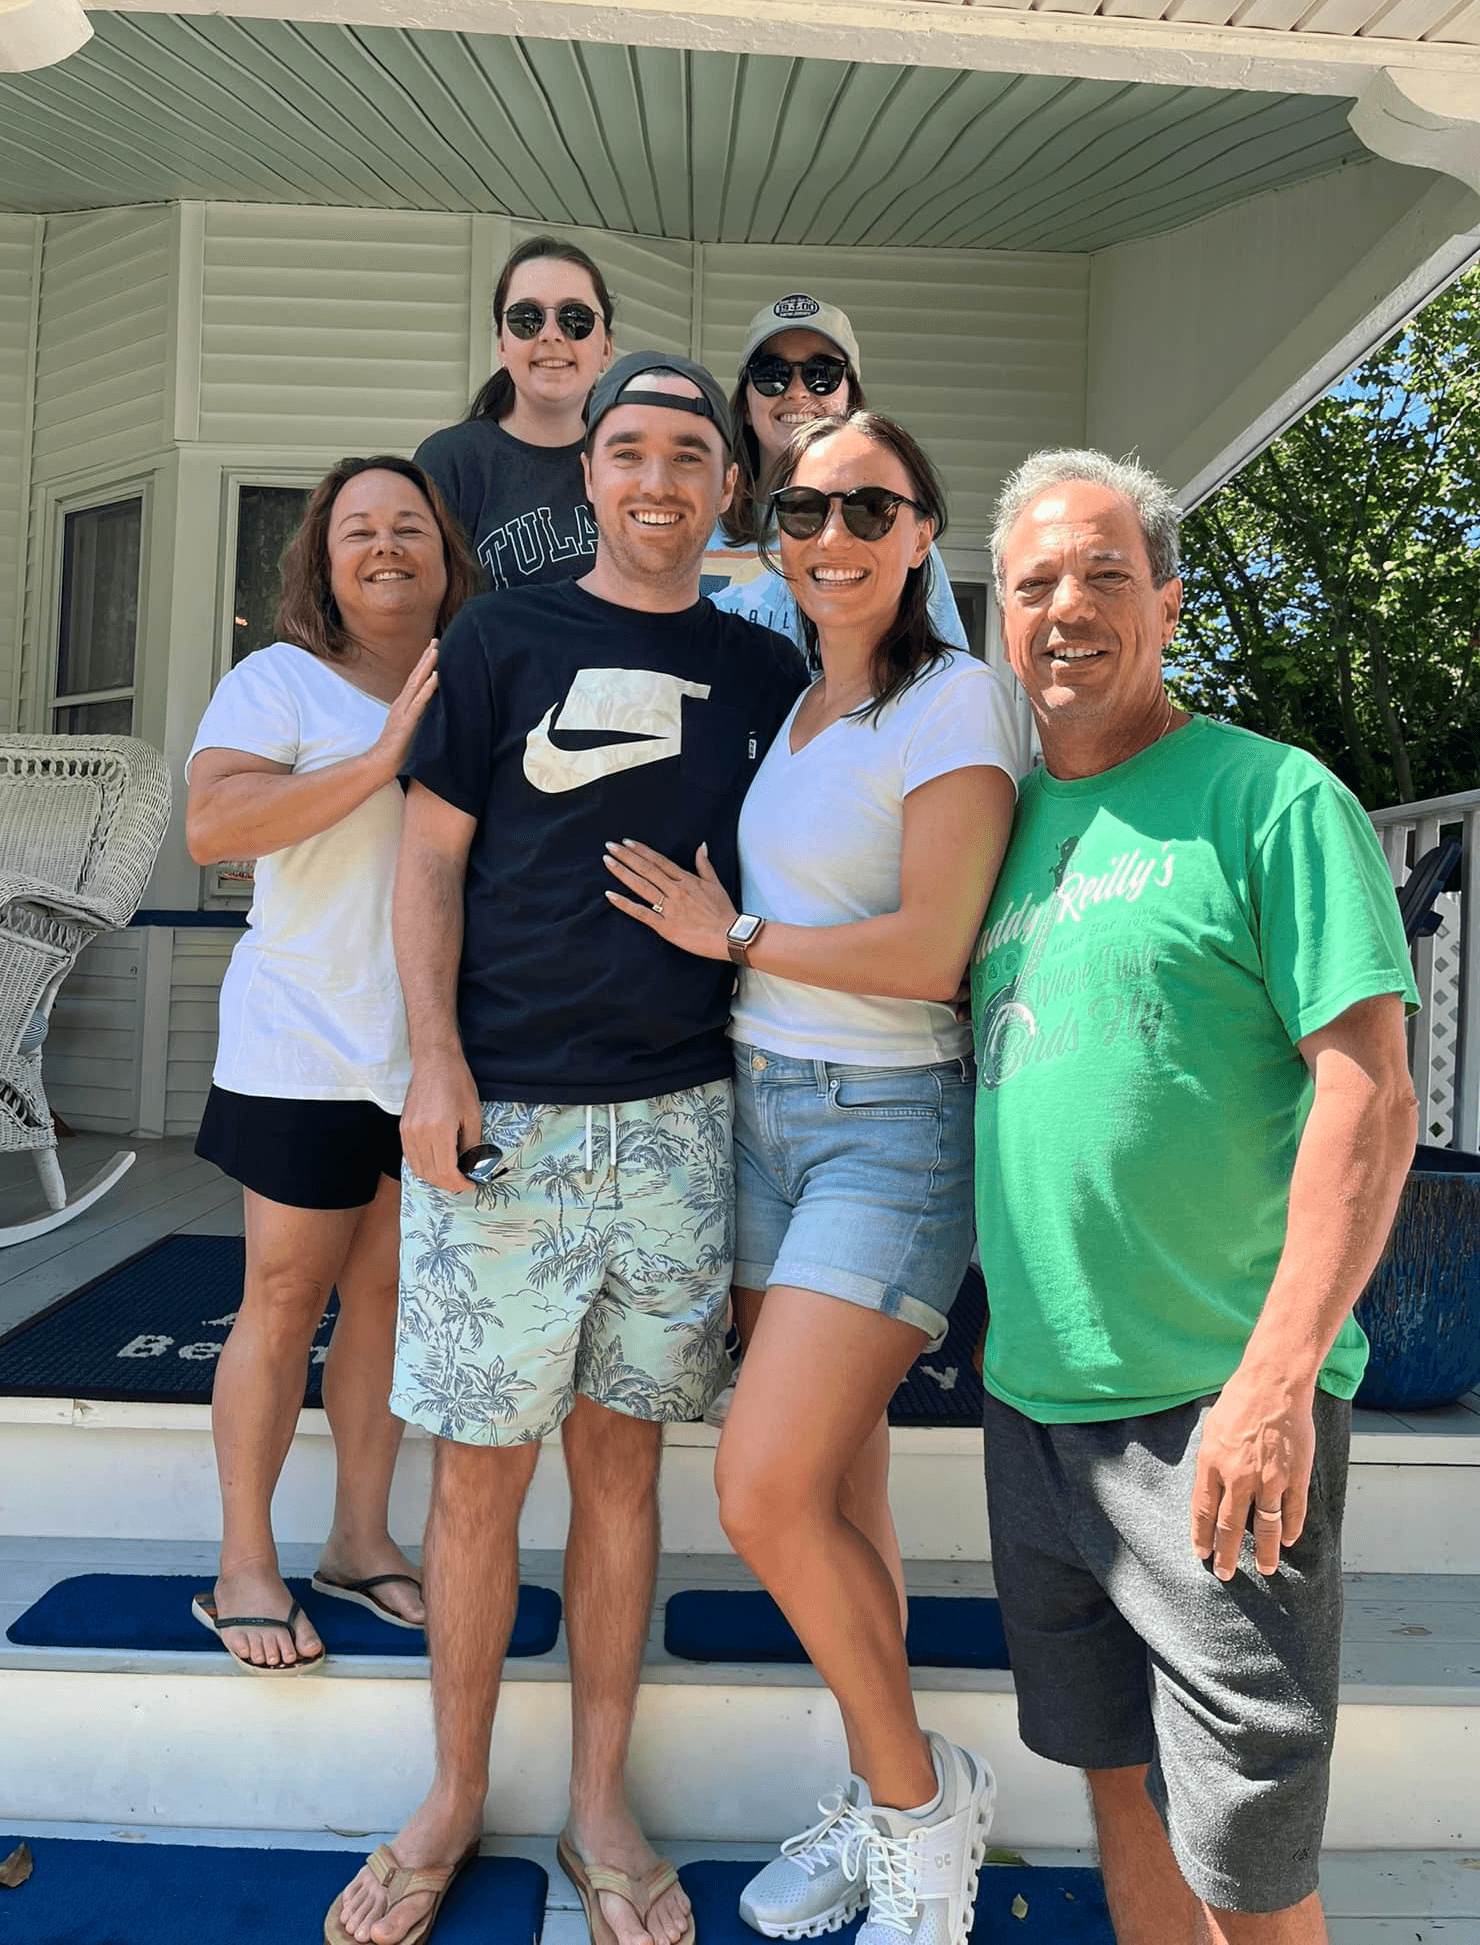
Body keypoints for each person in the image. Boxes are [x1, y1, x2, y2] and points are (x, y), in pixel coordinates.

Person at [325, 353, 810, 1945]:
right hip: (506, 1127)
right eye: (629, 451)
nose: (660, 477)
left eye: (689, 452)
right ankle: (453, 1795)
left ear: (725, 486)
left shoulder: (761, 673)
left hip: (682, 1122)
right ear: (586, 479)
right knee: (478, 1488)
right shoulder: (499, 638)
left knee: (621, 1476)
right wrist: (436, 1060)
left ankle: (600, 1799)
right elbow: (431, 863)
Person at [971, 447, 1420, 1945]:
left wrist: (1279, 1378)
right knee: (1118, 1786)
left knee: (1249, 1861)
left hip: (1217, 1417)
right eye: (1034, 583)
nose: (1067, 608)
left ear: (1166, 602)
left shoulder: (1271, 798)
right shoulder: (1008, 827)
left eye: (1105, 573)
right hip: (1041, 1412)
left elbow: (1371, 1089)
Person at [603, 410, 1019, 1945]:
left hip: (888, 1124)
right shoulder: (794, 700)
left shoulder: (954, 702)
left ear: (923, 533)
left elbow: (931, 951)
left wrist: (741, 941)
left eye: (868, 509)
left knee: (762, 1485)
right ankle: (879, 1784)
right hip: (765, 1112)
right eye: (802, 511)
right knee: (840, 1487)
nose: (829, 536)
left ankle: (922, 1812)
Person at [186, 455, 476, 1672]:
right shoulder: (279, 680)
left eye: (409, 525)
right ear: (323, 555)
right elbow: (215, 826)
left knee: (390, 1301)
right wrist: (375, 758)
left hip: (424, 1049)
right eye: (359, 528)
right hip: (301, 1040)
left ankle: (361, 1539)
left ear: (444, 552)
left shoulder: (475, 675)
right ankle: (242, 1559)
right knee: (284, 1297)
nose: (385, 545)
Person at [700, 293, 968, 656]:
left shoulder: (894, 527)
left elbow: (943, 672)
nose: (797, 392)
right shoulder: (697, 522)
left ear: (851, 400)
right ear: (745, 405)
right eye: (771, 375)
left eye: (821, 374)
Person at [414, 235, 614, 591]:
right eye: (527, 318)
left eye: (575, 318)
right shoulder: (451, 462)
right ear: (503, 346)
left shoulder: (628, 461)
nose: (551, 334)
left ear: (606, 349)